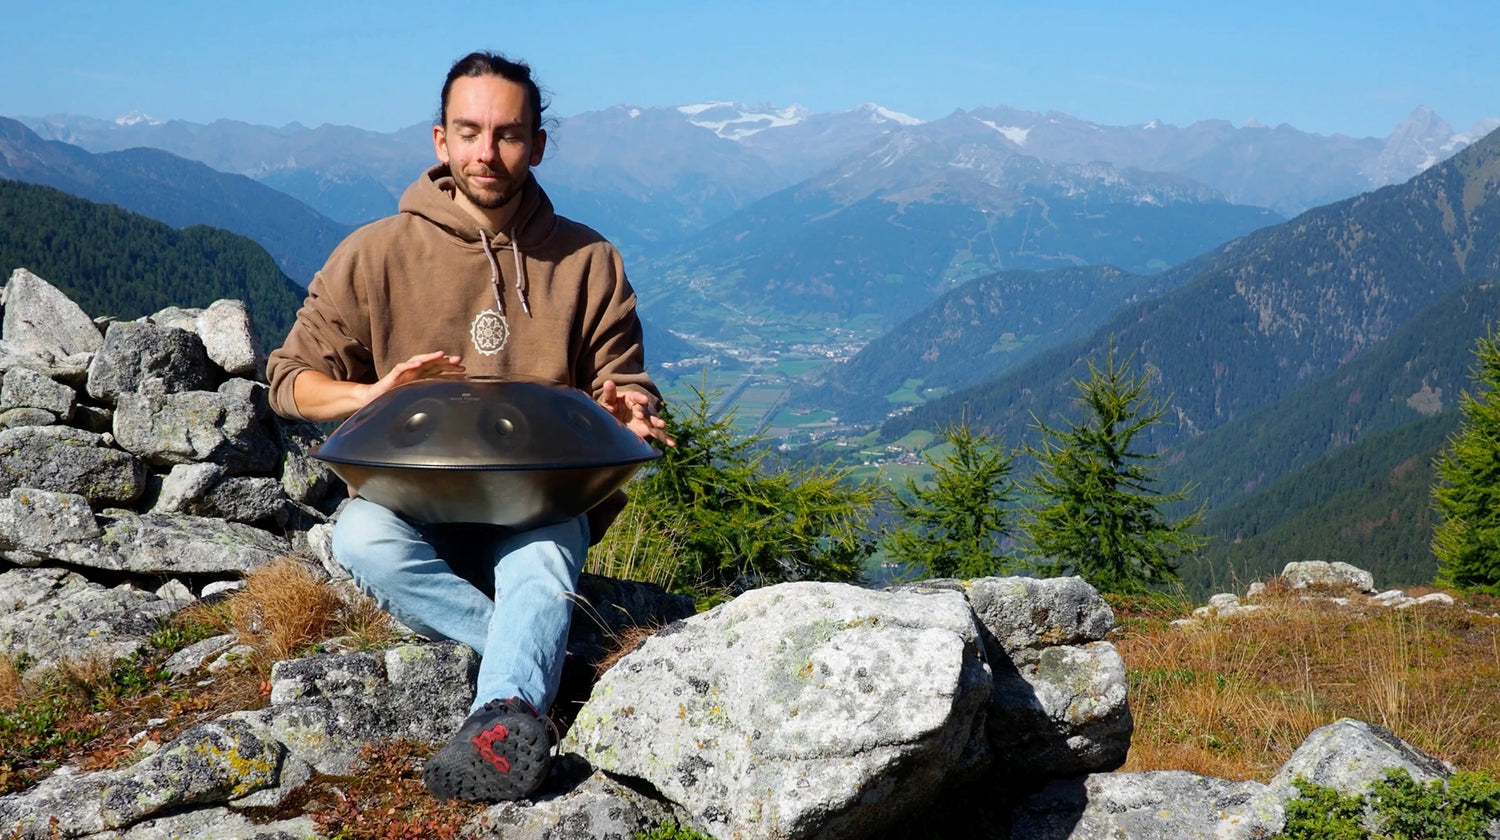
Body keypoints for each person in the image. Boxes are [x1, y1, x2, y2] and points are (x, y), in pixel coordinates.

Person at [266, 50, 672, 803]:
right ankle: (542, 662)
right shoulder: (375, 253)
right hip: (411, 503)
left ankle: (501, 718)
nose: (487, 152)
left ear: (537, 146)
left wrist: (630, 410)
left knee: (544, 557)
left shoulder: (588, 260)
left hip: (537, 505)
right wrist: (372, 394)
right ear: (440, 140)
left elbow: (627, 384)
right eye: (469, 131)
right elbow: (290, 381)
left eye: (509, 134)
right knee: (360, 538)